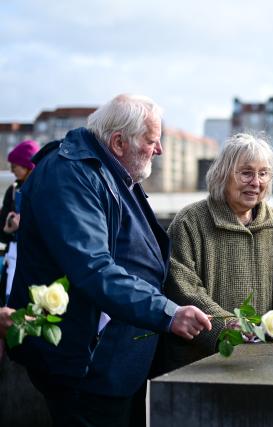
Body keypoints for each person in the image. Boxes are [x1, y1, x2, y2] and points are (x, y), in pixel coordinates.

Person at [7, 94, 212, 427]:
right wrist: (167, 313)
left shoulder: (110, 168)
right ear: (118, 142)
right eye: (151, 141)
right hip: (85, 369)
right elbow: (93, 268)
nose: (159, 150)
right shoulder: (70, 174)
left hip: (117, 364)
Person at [153, 133, 273, 374]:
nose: (256, 182)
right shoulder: (190, 221)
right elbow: (183, 287)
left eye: (263, 173)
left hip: (263, 361)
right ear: (223, 174)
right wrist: (230, 328)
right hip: (199, 363)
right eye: (246, 173)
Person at [0, 139, 40, 305]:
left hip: (34, 260)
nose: (11, 170)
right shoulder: (13, 191)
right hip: (12, 256)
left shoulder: (42, 190)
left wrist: (23, 226)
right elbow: (2, 233)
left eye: (15, 165)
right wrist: (8, 229)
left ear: (27, 166)